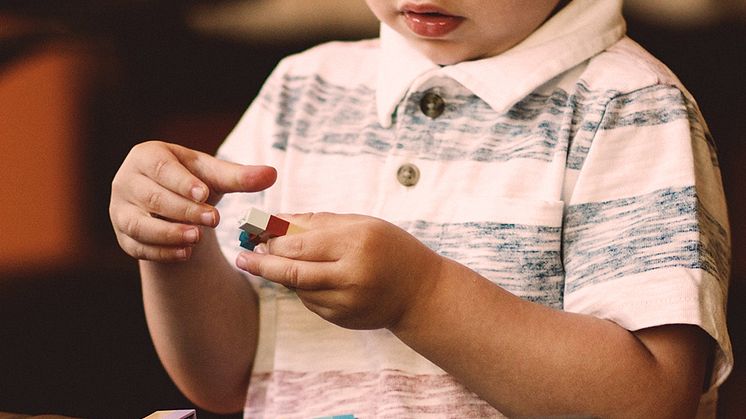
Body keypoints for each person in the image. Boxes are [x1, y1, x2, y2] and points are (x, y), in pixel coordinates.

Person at [109, 0, 733, 417]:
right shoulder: (303, 89)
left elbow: (653, 399)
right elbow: (228, 374)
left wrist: (423, 296)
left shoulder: (627, 106)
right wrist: (174, 242)